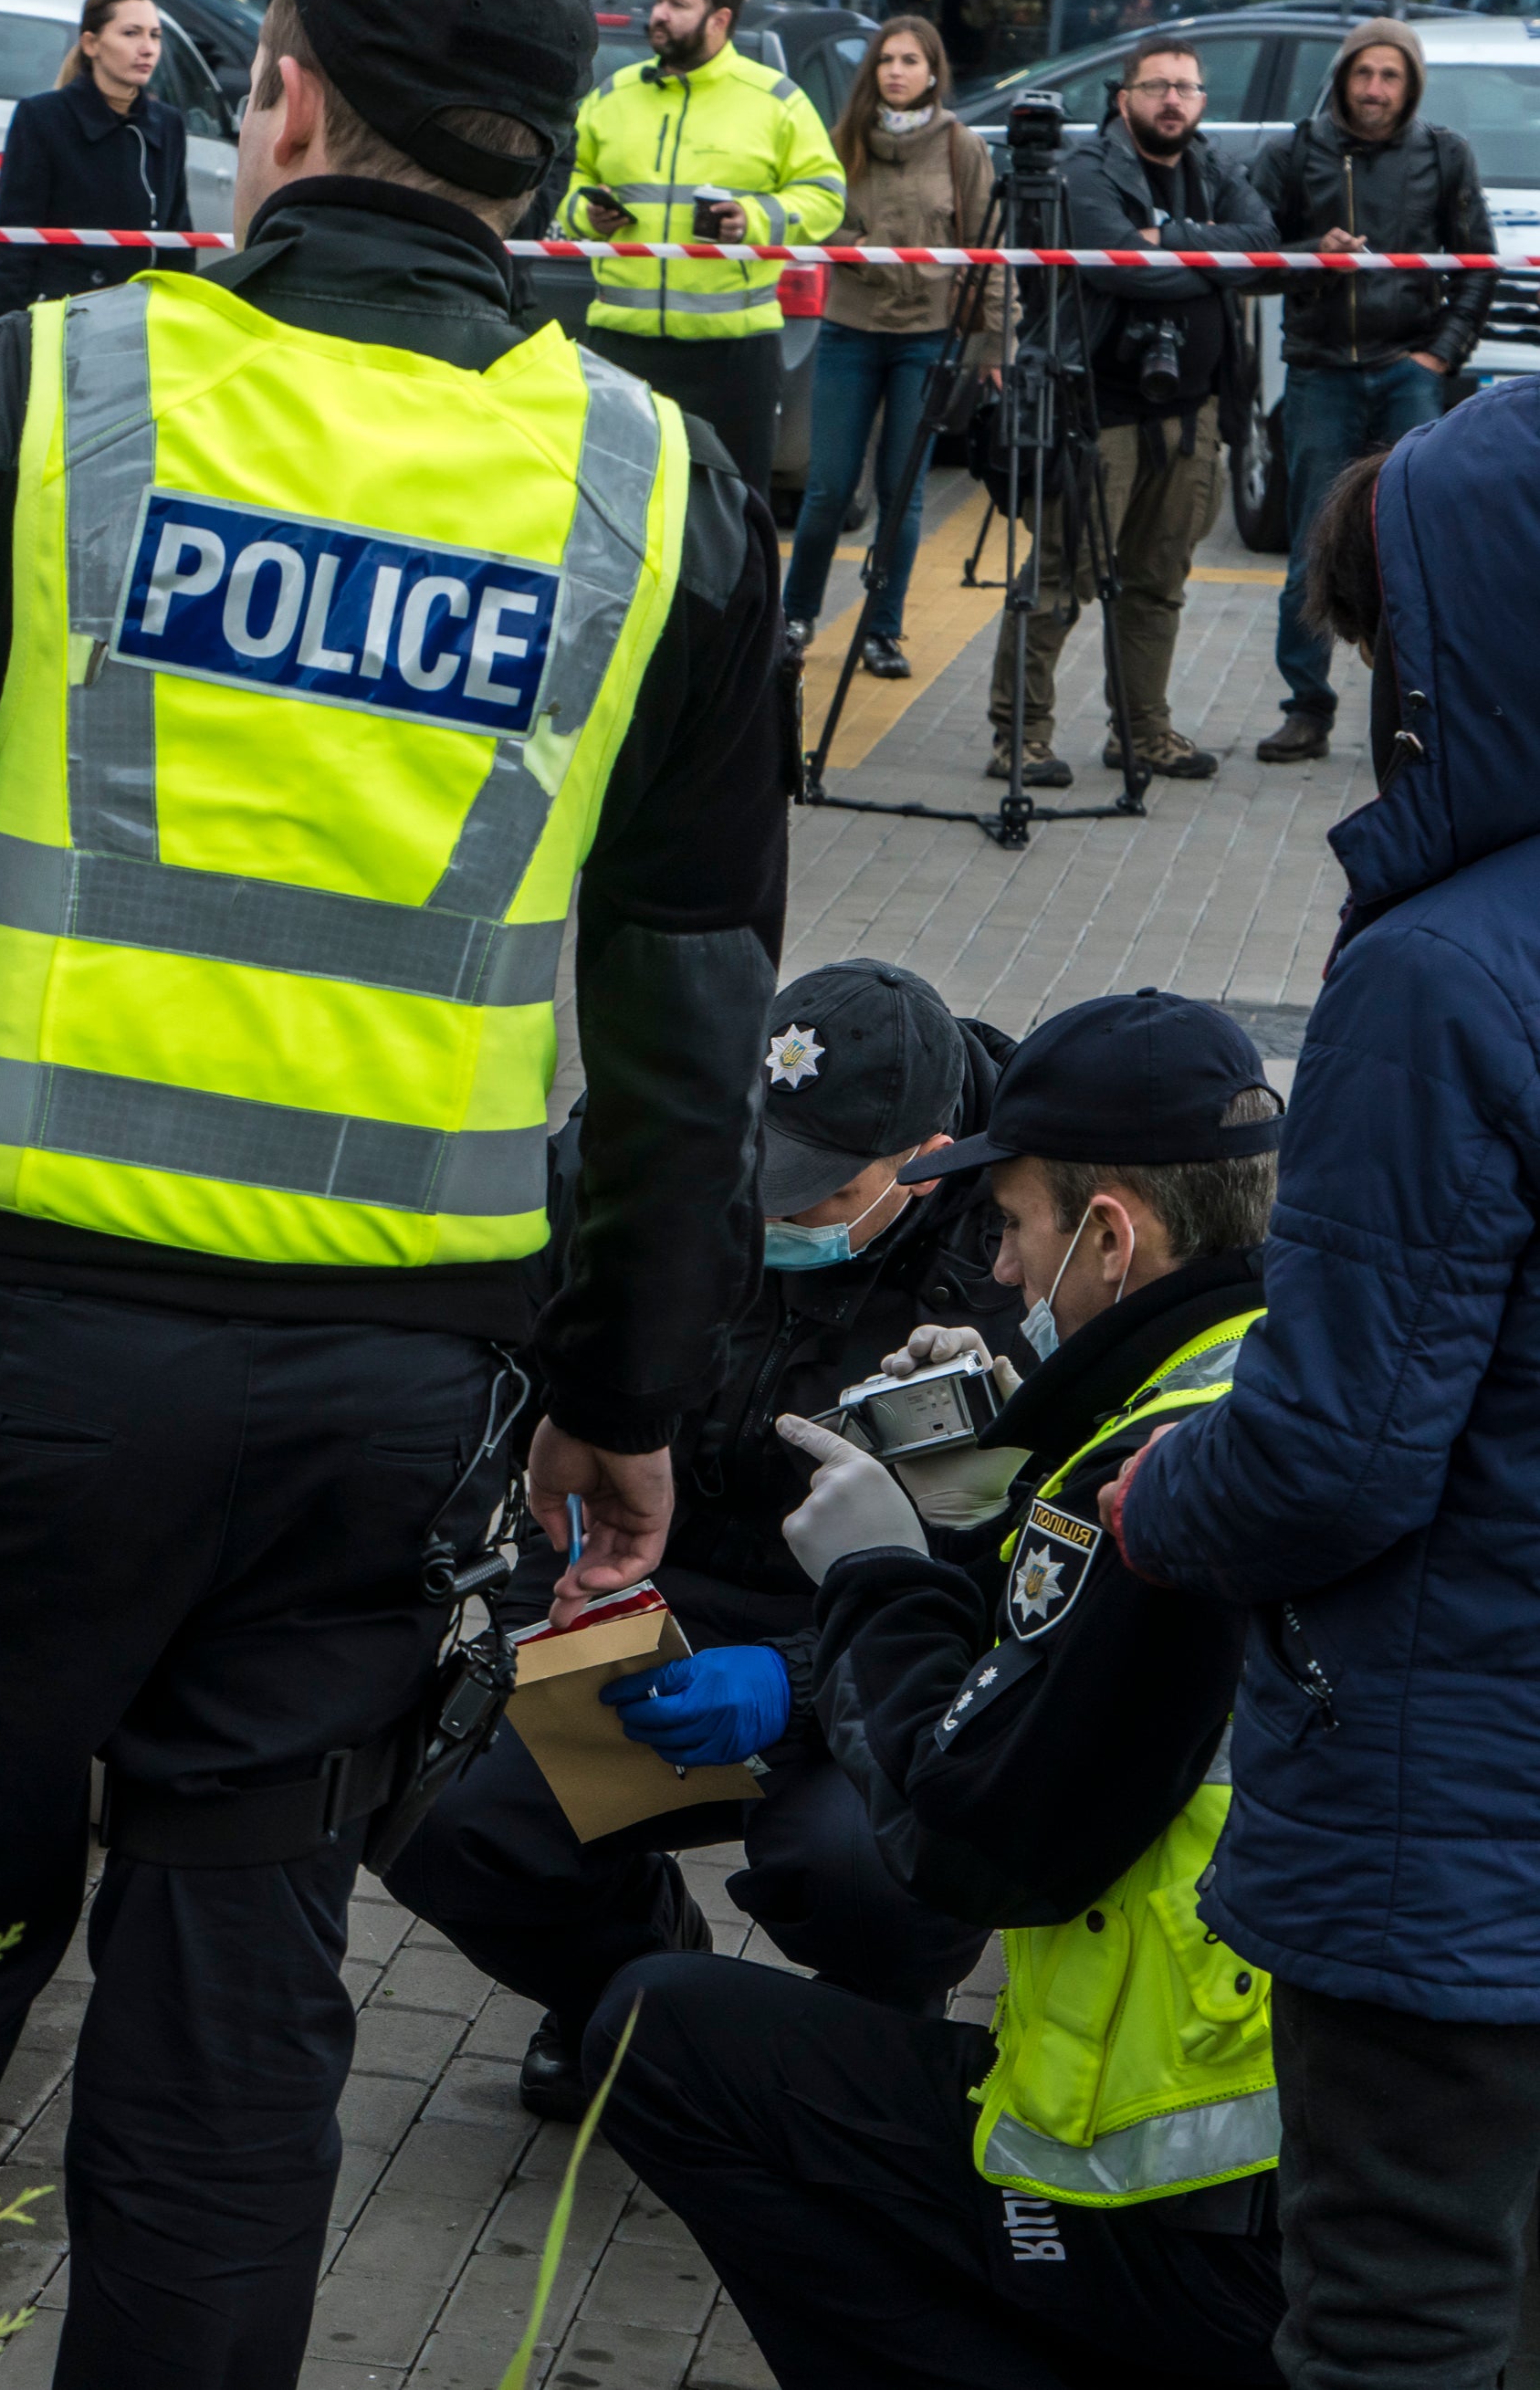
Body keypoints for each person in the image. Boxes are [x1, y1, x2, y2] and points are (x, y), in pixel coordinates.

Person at [0, 0, 795, 2366]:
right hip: (375, 1420)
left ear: (279, 106)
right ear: (540, 167)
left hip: (8, 1374)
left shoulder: (36, 402)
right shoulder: (659, 495)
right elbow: (683, 1032)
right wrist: (630, 1392)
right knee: (231, 2041)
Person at [590, 989, 1290, 2388]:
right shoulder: (1272, 1378)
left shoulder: (1159, 1492)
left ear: (1110, 1233)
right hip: (1327, 2162)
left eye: (1021, 1228)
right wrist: (989, 1454)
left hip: (1176, 2199)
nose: (1006, 1269)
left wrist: (877, 1575)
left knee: (658, 2037)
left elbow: (969, 1838)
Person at [1108, 393, 1540, 2388]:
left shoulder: (1445, 974)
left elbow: (1341, 1453)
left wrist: (1162, 1497)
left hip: (1445, 1811)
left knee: (1396, 2317)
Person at [384, 960, 1021, 2123]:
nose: (775, 1216)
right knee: (446, 1810)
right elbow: (530, 1389)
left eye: (820, 1195)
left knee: (863, 1867)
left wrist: (798, 1682)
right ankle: (631, 1990)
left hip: (883, 1633)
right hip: (642, 1581)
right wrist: (553, 1595)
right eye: (761, 1175)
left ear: (926, 1161)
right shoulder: (648, 1156)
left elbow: (1006, 1587)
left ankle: (870, 2049)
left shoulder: (1020, 1254)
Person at [987, 37, 1274, 791]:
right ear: (1124, 99)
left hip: (1193, 412)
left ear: (1203, 100)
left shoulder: (1214, 168)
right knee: (1059, 578)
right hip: (1096, 409)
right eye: (1156, 87)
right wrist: (1206, 263)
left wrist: (1172, 241)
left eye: (1186, 87)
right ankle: (1021, 736)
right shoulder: (1087, 171)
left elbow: (1267, 244)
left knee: (1158, 581)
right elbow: (1123, 264)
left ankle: (1143, 732)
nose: (1172, 100)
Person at [1245, 18, 1491, 767]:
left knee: (1417, 548)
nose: (1375, 89)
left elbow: (1479, 263)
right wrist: (1308, 257)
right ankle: (1306, 706)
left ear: (1410, 84)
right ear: (1342, 77)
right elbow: (1246, 261)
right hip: (1321, 373)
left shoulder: (1444, 154)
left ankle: (1419, 710)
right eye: (1363, 73)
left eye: (1390, 75)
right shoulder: (1292, 153)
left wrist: (1438, 356)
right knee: (1309, 552)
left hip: (1406, 375)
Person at [558, 0, 846, 498]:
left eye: (677, 5)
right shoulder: (613, 95)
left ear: (719, 19)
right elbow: (568, 182)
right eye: (659, 1)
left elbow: (827, 197)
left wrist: (753, 219)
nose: (659, 15)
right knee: (616, 508)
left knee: (734, 518)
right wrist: (585, 214)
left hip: (733, 355)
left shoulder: (775, 101)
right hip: (623, 347)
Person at [781, 15, 1001, 680]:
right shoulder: (841, 140)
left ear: (934, 73)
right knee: (827, 489)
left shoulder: (960, 144)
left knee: (901, 495)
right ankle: (795, 619)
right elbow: (816, 221)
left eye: (910, 60)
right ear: (871, 71)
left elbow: (990, 246)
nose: (896, 71)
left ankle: (883, 630)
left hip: (927, 337)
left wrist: (996, 342)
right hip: (850, 328)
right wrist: (853, 246)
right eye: (886, 60)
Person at [0, 0, 192, 319]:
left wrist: (180, 312)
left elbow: (178, 235)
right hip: (63, 314)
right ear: (91, 43)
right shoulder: (42, 118)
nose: (147, 48)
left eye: (155, 35)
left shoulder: (167, 125)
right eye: (131, 33)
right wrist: (6, 327)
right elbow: (14, 234)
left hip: (143, 315)